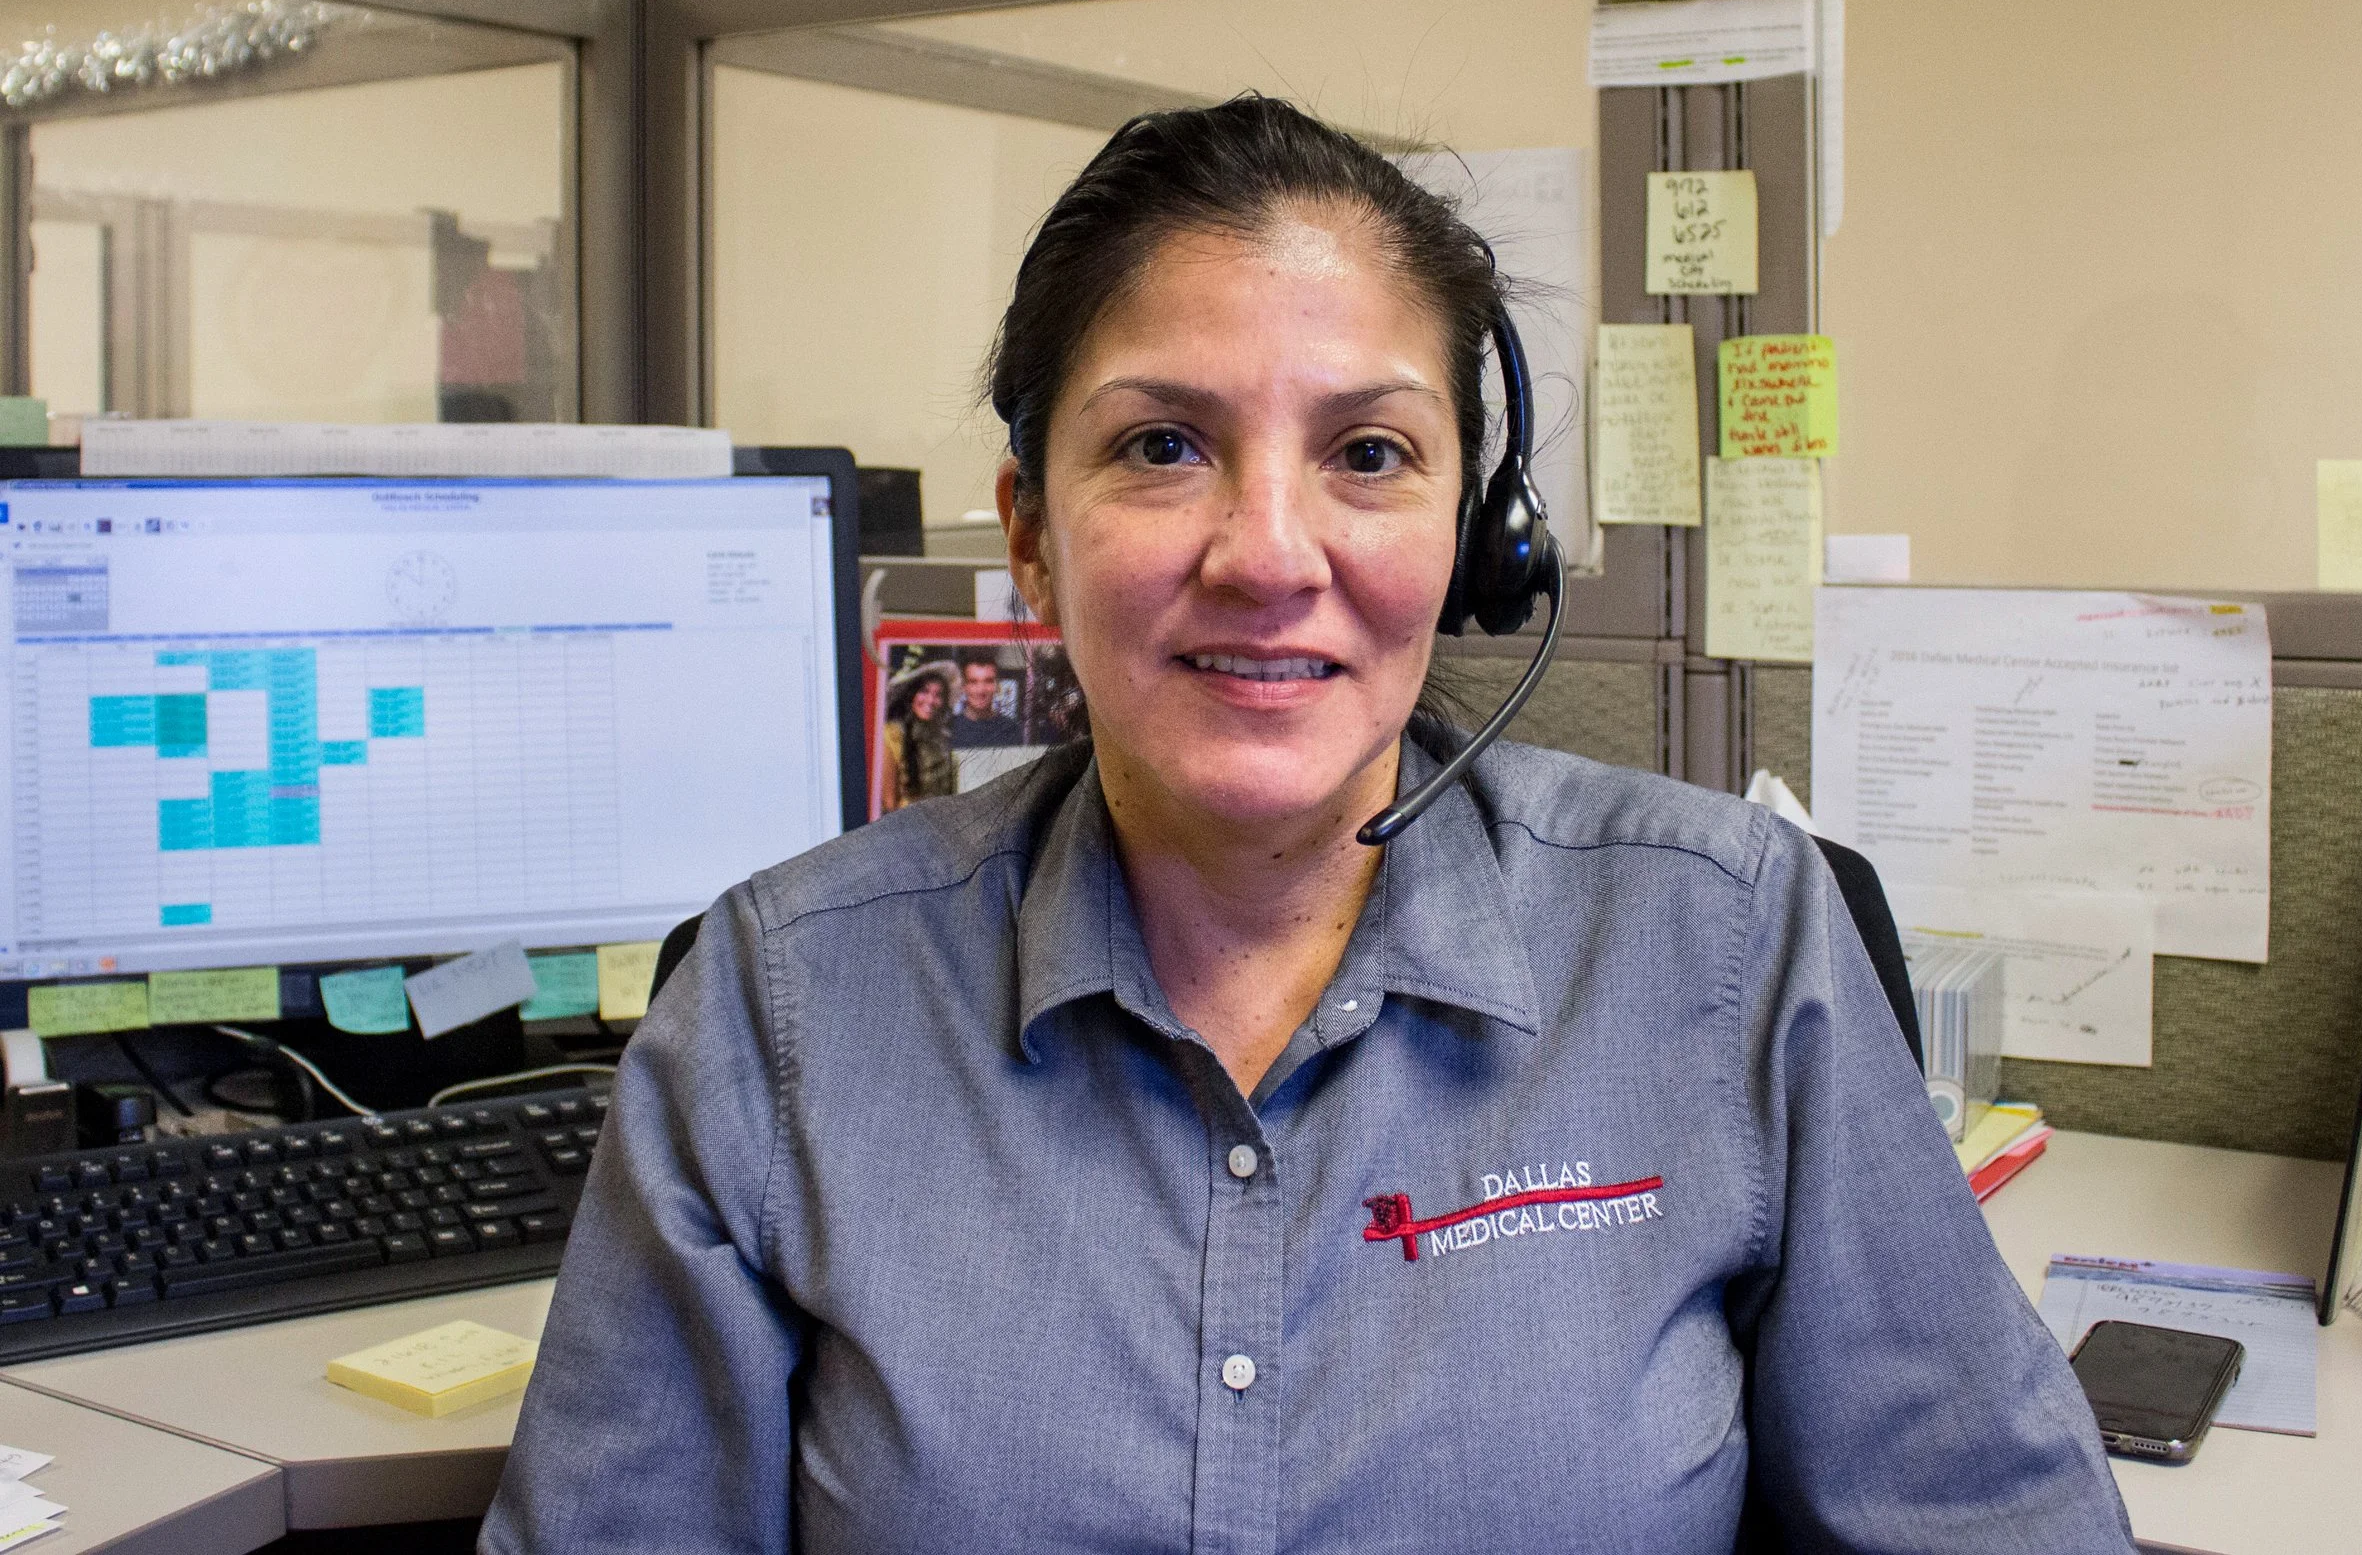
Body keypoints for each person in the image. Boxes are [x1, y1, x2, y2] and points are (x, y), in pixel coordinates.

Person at [484, 96, 2133, 1553]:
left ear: (1478, 540)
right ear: (1035, 537)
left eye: (1367, 451)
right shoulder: (783, 1009)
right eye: (1161, 445)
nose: (1270, 551)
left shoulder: (1727, 945)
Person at [878, 662, 956, 810]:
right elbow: (889, 803)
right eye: (924, 691)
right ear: (911, 695)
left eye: (938, 695)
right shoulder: (891, 735)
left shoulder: (941, 738)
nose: (931, 700)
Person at [948, 652, 1023, 748]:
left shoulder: (1011, 729)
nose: (981, 690)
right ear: (963, 686)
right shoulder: (948, 730)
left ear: (997, 685)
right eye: (973, 682)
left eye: (988, 681)